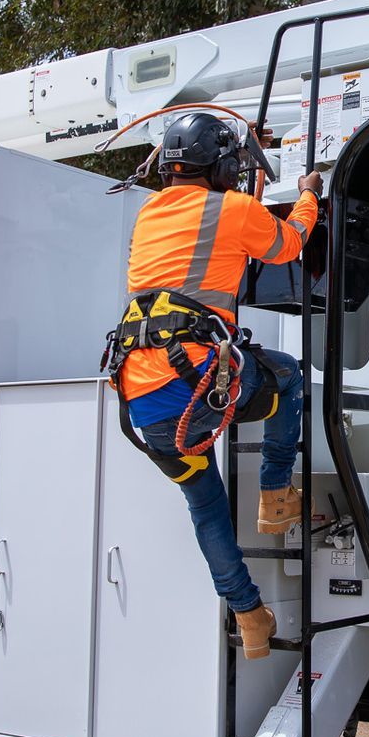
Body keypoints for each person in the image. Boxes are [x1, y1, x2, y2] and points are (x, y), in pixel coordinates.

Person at [111, 111, 321, 660]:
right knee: (288, 375)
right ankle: (275, 494)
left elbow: (219, 233)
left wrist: (249, 149)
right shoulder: (232, 209)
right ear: (220, 165)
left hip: (143, 407)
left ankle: (250, 616)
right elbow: (288, 243)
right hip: (199, 385)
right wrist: (308, 194)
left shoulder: (147, 215)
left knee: (205, 507)